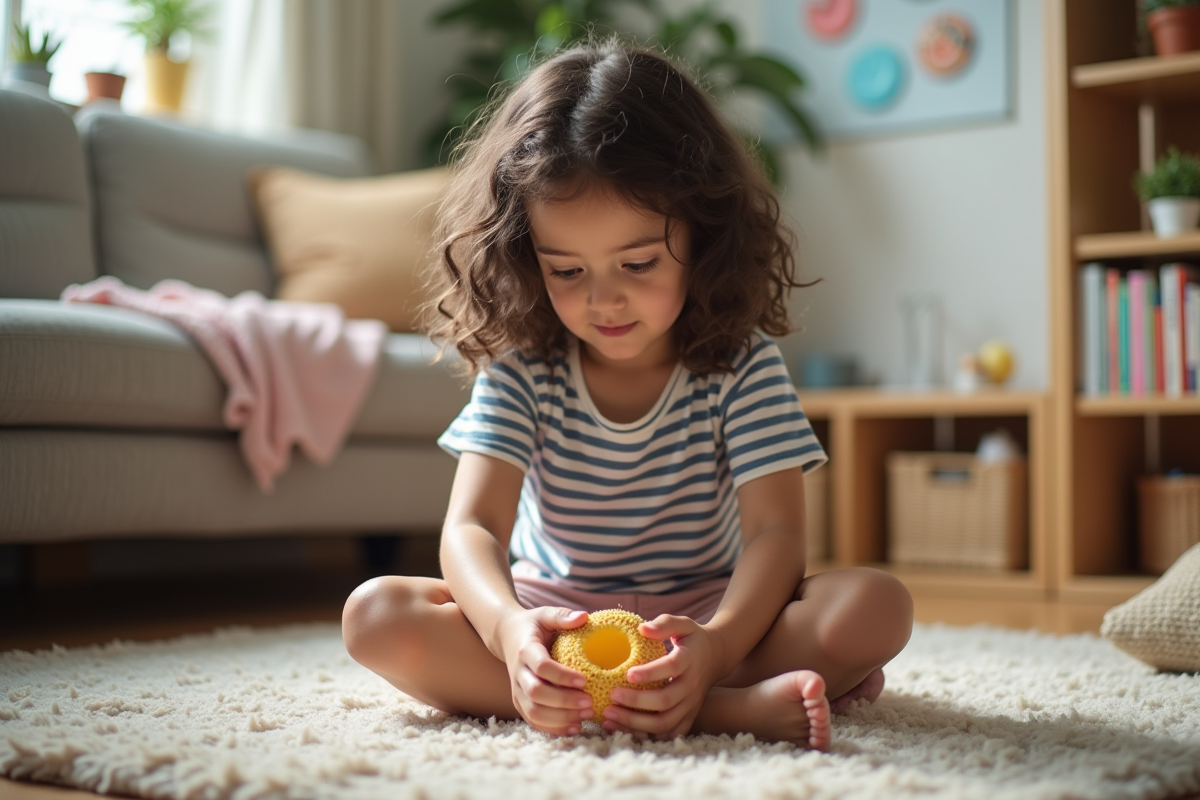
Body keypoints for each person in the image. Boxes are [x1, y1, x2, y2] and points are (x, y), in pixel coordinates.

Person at [342, 39, 913, 751]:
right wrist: (509, 631)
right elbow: (473, 527)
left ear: (703, 235)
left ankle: (687, 690)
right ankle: (726, 711)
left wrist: (717, 647)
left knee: (874, 606)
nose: (604, 300)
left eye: (637, 263)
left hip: (703, 621)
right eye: (567, 271)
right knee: (375, 615)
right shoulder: (522, 368)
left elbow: (777, 536)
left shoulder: (741, 366)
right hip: (555, 625)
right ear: (527, 257)